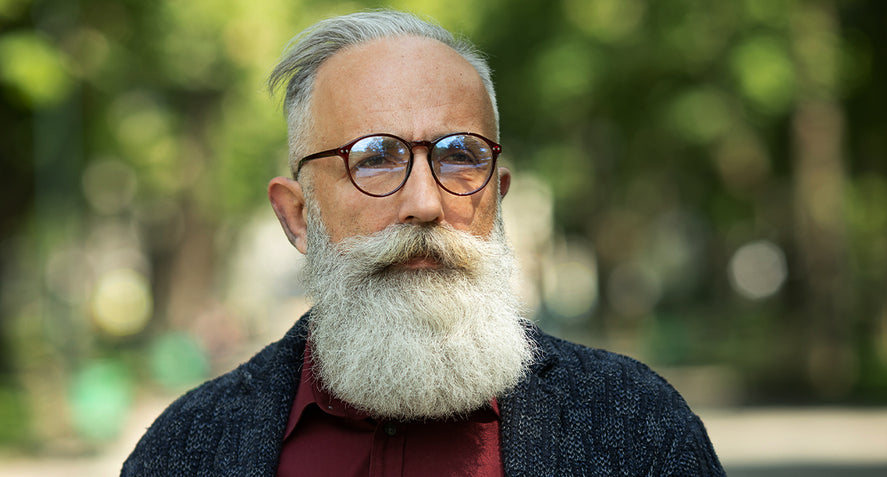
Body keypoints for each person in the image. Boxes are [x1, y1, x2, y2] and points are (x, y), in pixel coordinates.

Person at [122, 9, 725, 476]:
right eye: (375, 159)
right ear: (297, 217)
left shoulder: (638, 429)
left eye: (460, 156)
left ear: (498, 199)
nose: (426, 203)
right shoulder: (184, 452)